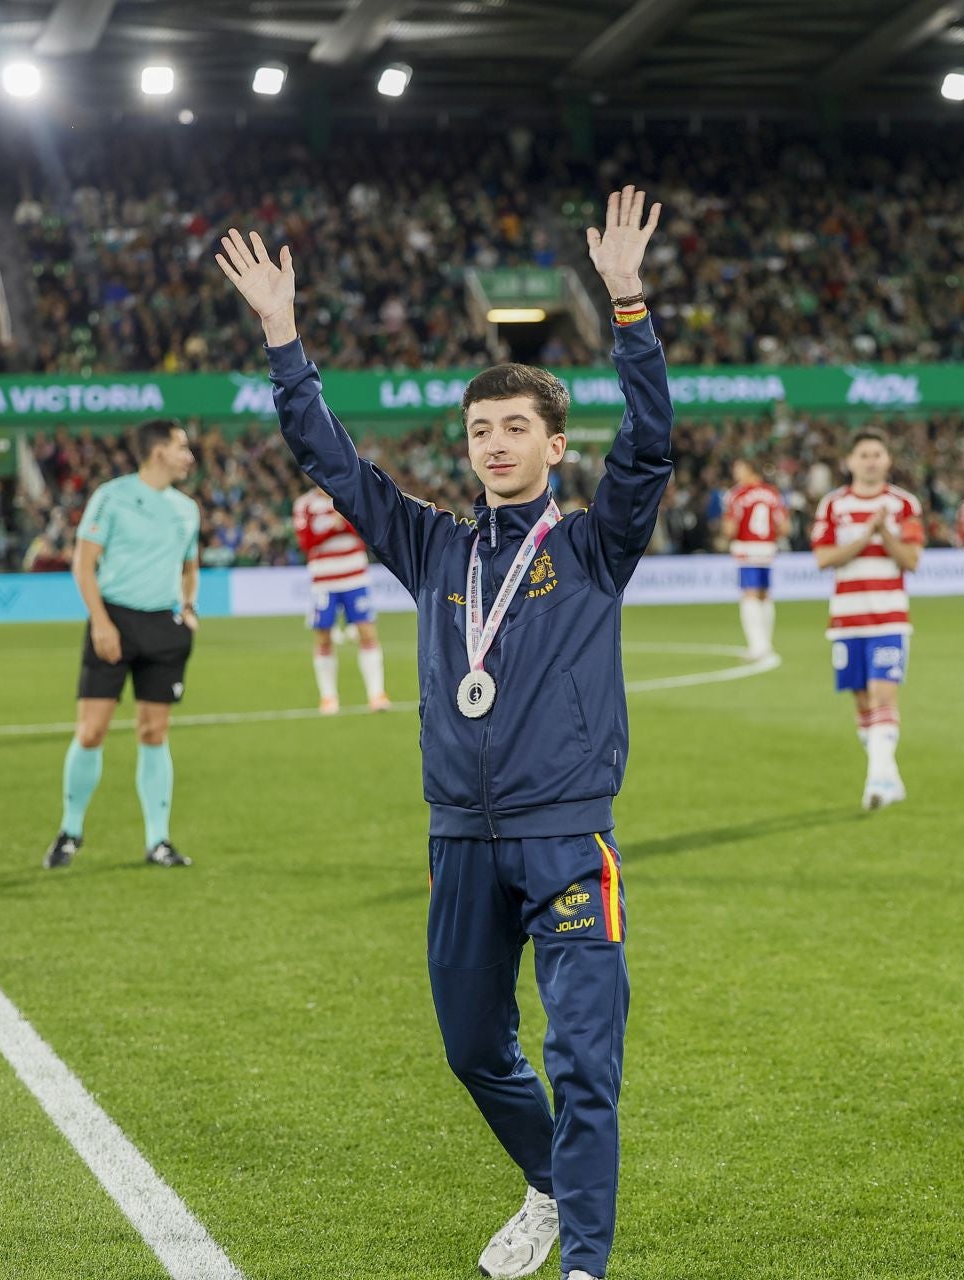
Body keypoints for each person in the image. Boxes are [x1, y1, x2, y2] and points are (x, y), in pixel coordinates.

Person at [216, 186, 667, 1280]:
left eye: (518, 426)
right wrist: (284, 337)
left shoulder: (594, 545)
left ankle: (585, 1265)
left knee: (584, 1061)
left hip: (566, 838)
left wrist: (629, 305)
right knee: (473, 1049)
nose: (496, 441)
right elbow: (334, 465)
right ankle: (549, 1184)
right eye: (480, 428)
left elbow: (650, 446)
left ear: (555, 445)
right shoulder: (433, 547)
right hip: (459, 837)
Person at [46, 419, 202, 870]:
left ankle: (158, 841)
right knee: (91, 731)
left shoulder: (187, 509)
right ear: (157, 452)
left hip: (164, 626)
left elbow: (190, 566)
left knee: (154, 733)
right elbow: (83, 565)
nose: (189, 456)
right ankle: (70, 830)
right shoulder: (111, 497)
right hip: (114, 620)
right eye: (181, 447)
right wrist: (100, 622)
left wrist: (188, 609)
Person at [811, 431, 924, 810]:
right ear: (851, 461)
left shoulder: (903, 504)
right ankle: (889, 776)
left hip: (889, 618)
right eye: (864, 454)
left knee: (882, 694)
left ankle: (875, 781)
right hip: (846, 619)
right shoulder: (833, 505)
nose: (871, 460)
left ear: (888, 460)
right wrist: (865, 535)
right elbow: (824, 559)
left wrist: (885, 533)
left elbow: (911, 560)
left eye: (877, 454)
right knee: (862, 703)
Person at [292, 485, 391, 712]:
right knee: (323, 637)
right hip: (324, 580)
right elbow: (306, 543)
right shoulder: (304, 504)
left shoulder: (350, 495)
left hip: (355, 577)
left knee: (367, 633)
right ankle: (328, 697)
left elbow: (365, 530)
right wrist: (334, 529)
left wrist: (340, 525)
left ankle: (377, 694)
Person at [723, 457, 786, 659]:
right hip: (767, 548)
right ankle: (766, 643)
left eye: (739, 467)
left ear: (749, 469)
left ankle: (757, 646)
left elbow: (730, 528)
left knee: (749, 595)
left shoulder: (737, 494)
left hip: (747, 548)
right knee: (765, 595)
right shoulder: (772, 493)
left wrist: (726, 533)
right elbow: (785, 527)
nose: (736, 472)